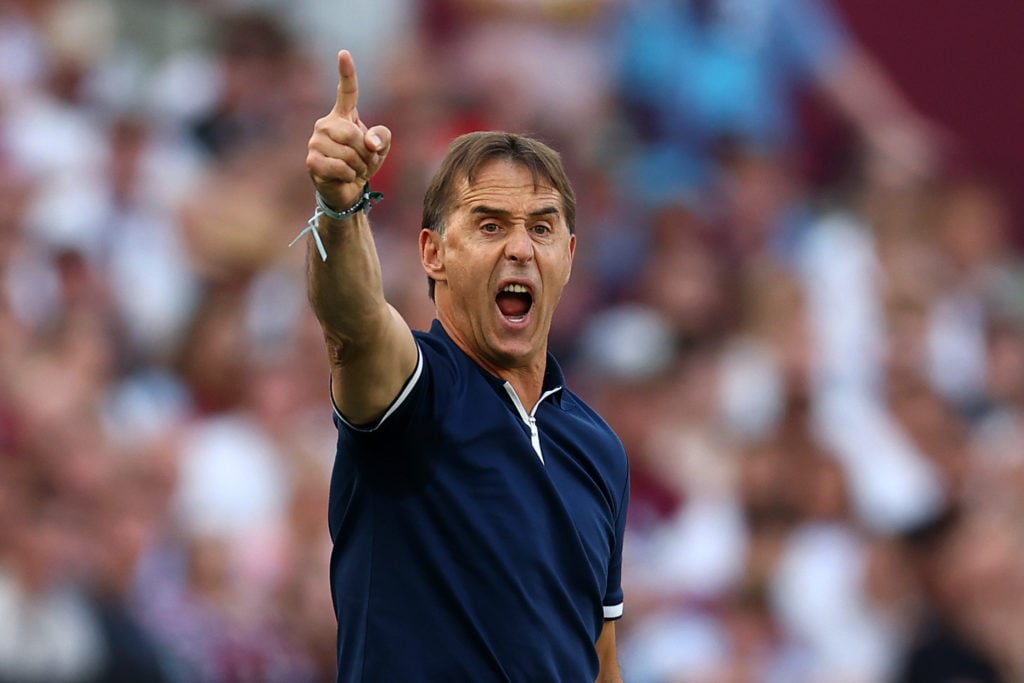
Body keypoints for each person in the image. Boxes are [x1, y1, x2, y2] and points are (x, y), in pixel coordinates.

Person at [299, 50, 630, 682]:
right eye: (489, 224)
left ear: (570, 255)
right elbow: (354, 320)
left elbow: (599, 658)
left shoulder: (598, 448)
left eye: (541, 227)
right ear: (433, 252)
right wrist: (341, 208)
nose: (519, 248)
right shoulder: (413, 396)